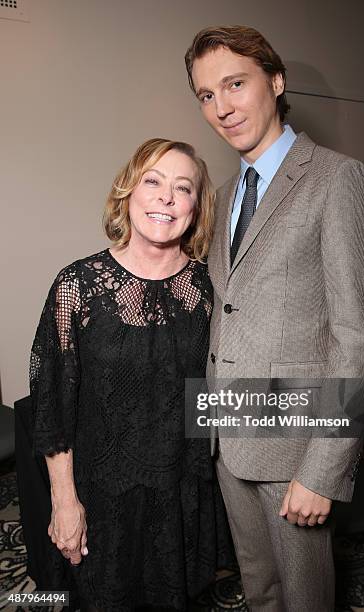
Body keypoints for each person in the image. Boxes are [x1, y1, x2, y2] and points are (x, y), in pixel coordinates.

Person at [185, 26, 364, 611]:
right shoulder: (221, 197)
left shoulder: (337, 179)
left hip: (296, 447)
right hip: (228, 435)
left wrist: (325, 466)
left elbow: (359, 337)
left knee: (304, 599)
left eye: (235, 84)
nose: (221, 107)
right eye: (205, 95)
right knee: (259, 589)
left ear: (276, 81)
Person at [30, 138, 231, 611]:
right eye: (153, 181)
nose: (166, 197)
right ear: (127, 193)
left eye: (183, 188)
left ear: (195, 209)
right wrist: (64, 501)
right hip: (102, 498)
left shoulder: (211, 290)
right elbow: (52, 405)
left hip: (182, 494)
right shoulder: (77, 286)